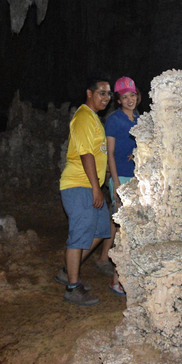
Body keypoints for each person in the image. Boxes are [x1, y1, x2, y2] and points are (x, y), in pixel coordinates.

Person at [55, 77, 112, 306]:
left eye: (108, 94)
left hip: (90, 185)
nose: (106, 98)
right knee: (78, 237)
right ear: (89, 93)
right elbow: (86, 154)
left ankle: (67, 271)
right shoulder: (82, 118)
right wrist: (96, 188)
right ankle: (72, 287)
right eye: (101, 93)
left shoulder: (94, 118)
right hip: (79, 185)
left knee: (103, 228)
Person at [103, 76, 141, 296]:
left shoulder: (138, 119)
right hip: (122, 179)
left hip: (137, 178)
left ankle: (127, 275)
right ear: (118, 99)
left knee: (131, 229)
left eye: (132, 95)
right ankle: (116, 280)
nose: (129, 99)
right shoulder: (114, 120)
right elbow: (110, 153)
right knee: (123, 231)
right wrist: (116, 183)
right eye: (125, 96)